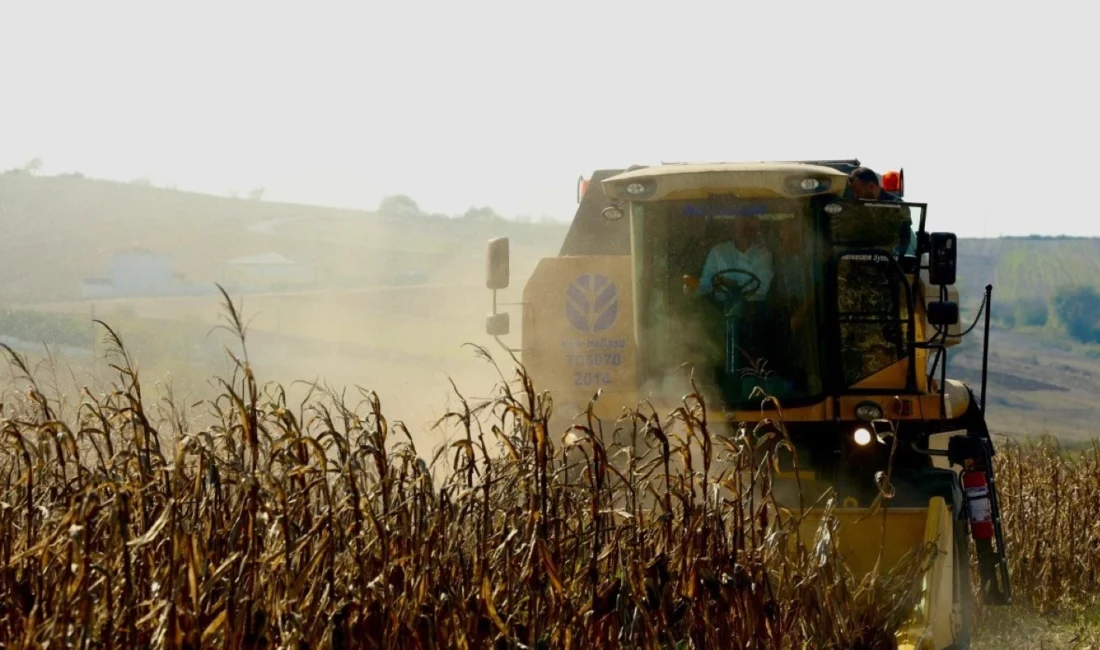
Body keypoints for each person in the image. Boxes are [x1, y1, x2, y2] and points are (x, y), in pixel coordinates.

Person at [693, 214, 774, 302]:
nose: (746, 228)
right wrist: (692, 291)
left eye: (750, 227)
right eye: (743, 224)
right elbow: (706, 283)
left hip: (752, 309)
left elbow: (762, 289)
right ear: (734, 226)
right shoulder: (718, 251)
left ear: (756, 229)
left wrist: (733, 288)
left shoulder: (764, 255)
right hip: (720, 310)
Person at [847, 167, 915, 257]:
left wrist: (893, 257)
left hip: (886, 263)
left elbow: (903, 241)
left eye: (858, 192)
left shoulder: (896, 206)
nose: (856, 196)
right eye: (854, 193)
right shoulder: (856, 206)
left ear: (871, 186)